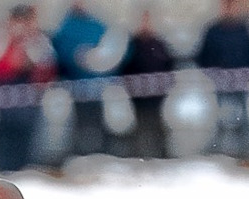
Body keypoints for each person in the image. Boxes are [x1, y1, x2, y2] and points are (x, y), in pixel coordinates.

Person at [0, 4, 54, 172]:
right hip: (3, 98)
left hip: (29, 99)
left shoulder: (38, 40)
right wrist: (12, 63)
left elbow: (47, 68)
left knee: (27, 140)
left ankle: (25, 173)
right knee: (4, 140)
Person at [194, 0, 249, 159]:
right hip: (220, 83)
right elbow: (203, 56)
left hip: (242, 83)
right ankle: (216, 151)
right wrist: (212, 73)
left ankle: (246, 152)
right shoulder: (213, 30)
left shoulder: (245, 30)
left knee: (244, 119)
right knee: (219, 119)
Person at [50, 2, 112, 160]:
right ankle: (79, 157)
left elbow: (109, 51)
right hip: (75, 86)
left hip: (96, 86)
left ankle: (99, 156)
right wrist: (76, 56)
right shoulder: (65, 26)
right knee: (79, 125)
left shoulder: (96, 25)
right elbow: (60, 53)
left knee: (98, 124)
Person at [118, 10, 174, 159]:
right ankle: (139, 157)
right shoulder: (132, 45)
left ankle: (161, 157)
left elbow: (169, 67)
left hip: (157, 97)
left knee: (157, 126)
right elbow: (124, 68)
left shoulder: (160, 45)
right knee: (140, 127)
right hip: (138, 98)